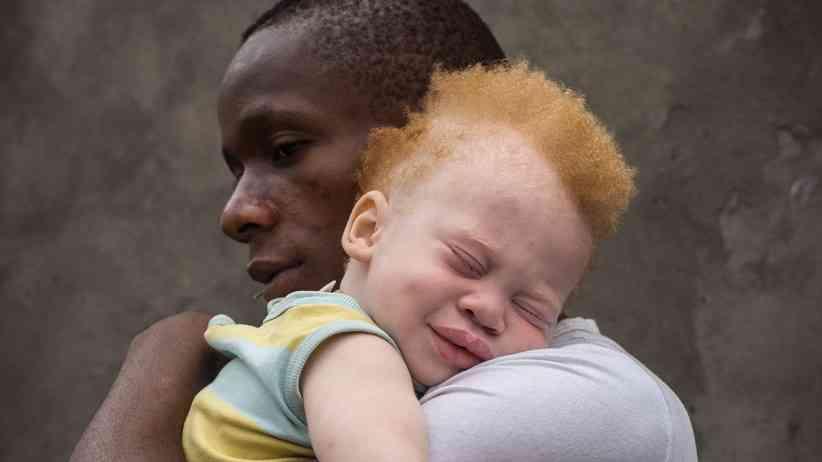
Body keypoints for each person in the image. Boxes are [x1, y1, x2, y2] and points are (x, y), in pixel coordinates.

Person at [71, 2, 699, 461]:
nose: (235, 213)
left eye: (286, 149)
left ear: (411, 139)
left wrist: (162, 357)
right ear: (370, 225)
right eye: (466, 261)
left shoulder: (593, 400)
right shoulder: (337, 344)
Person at [182, 62, 635, 462]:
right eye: (466, 262)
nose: (489, 310)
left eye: (531, 309)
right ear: (369, 230)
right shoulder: (347, 347)